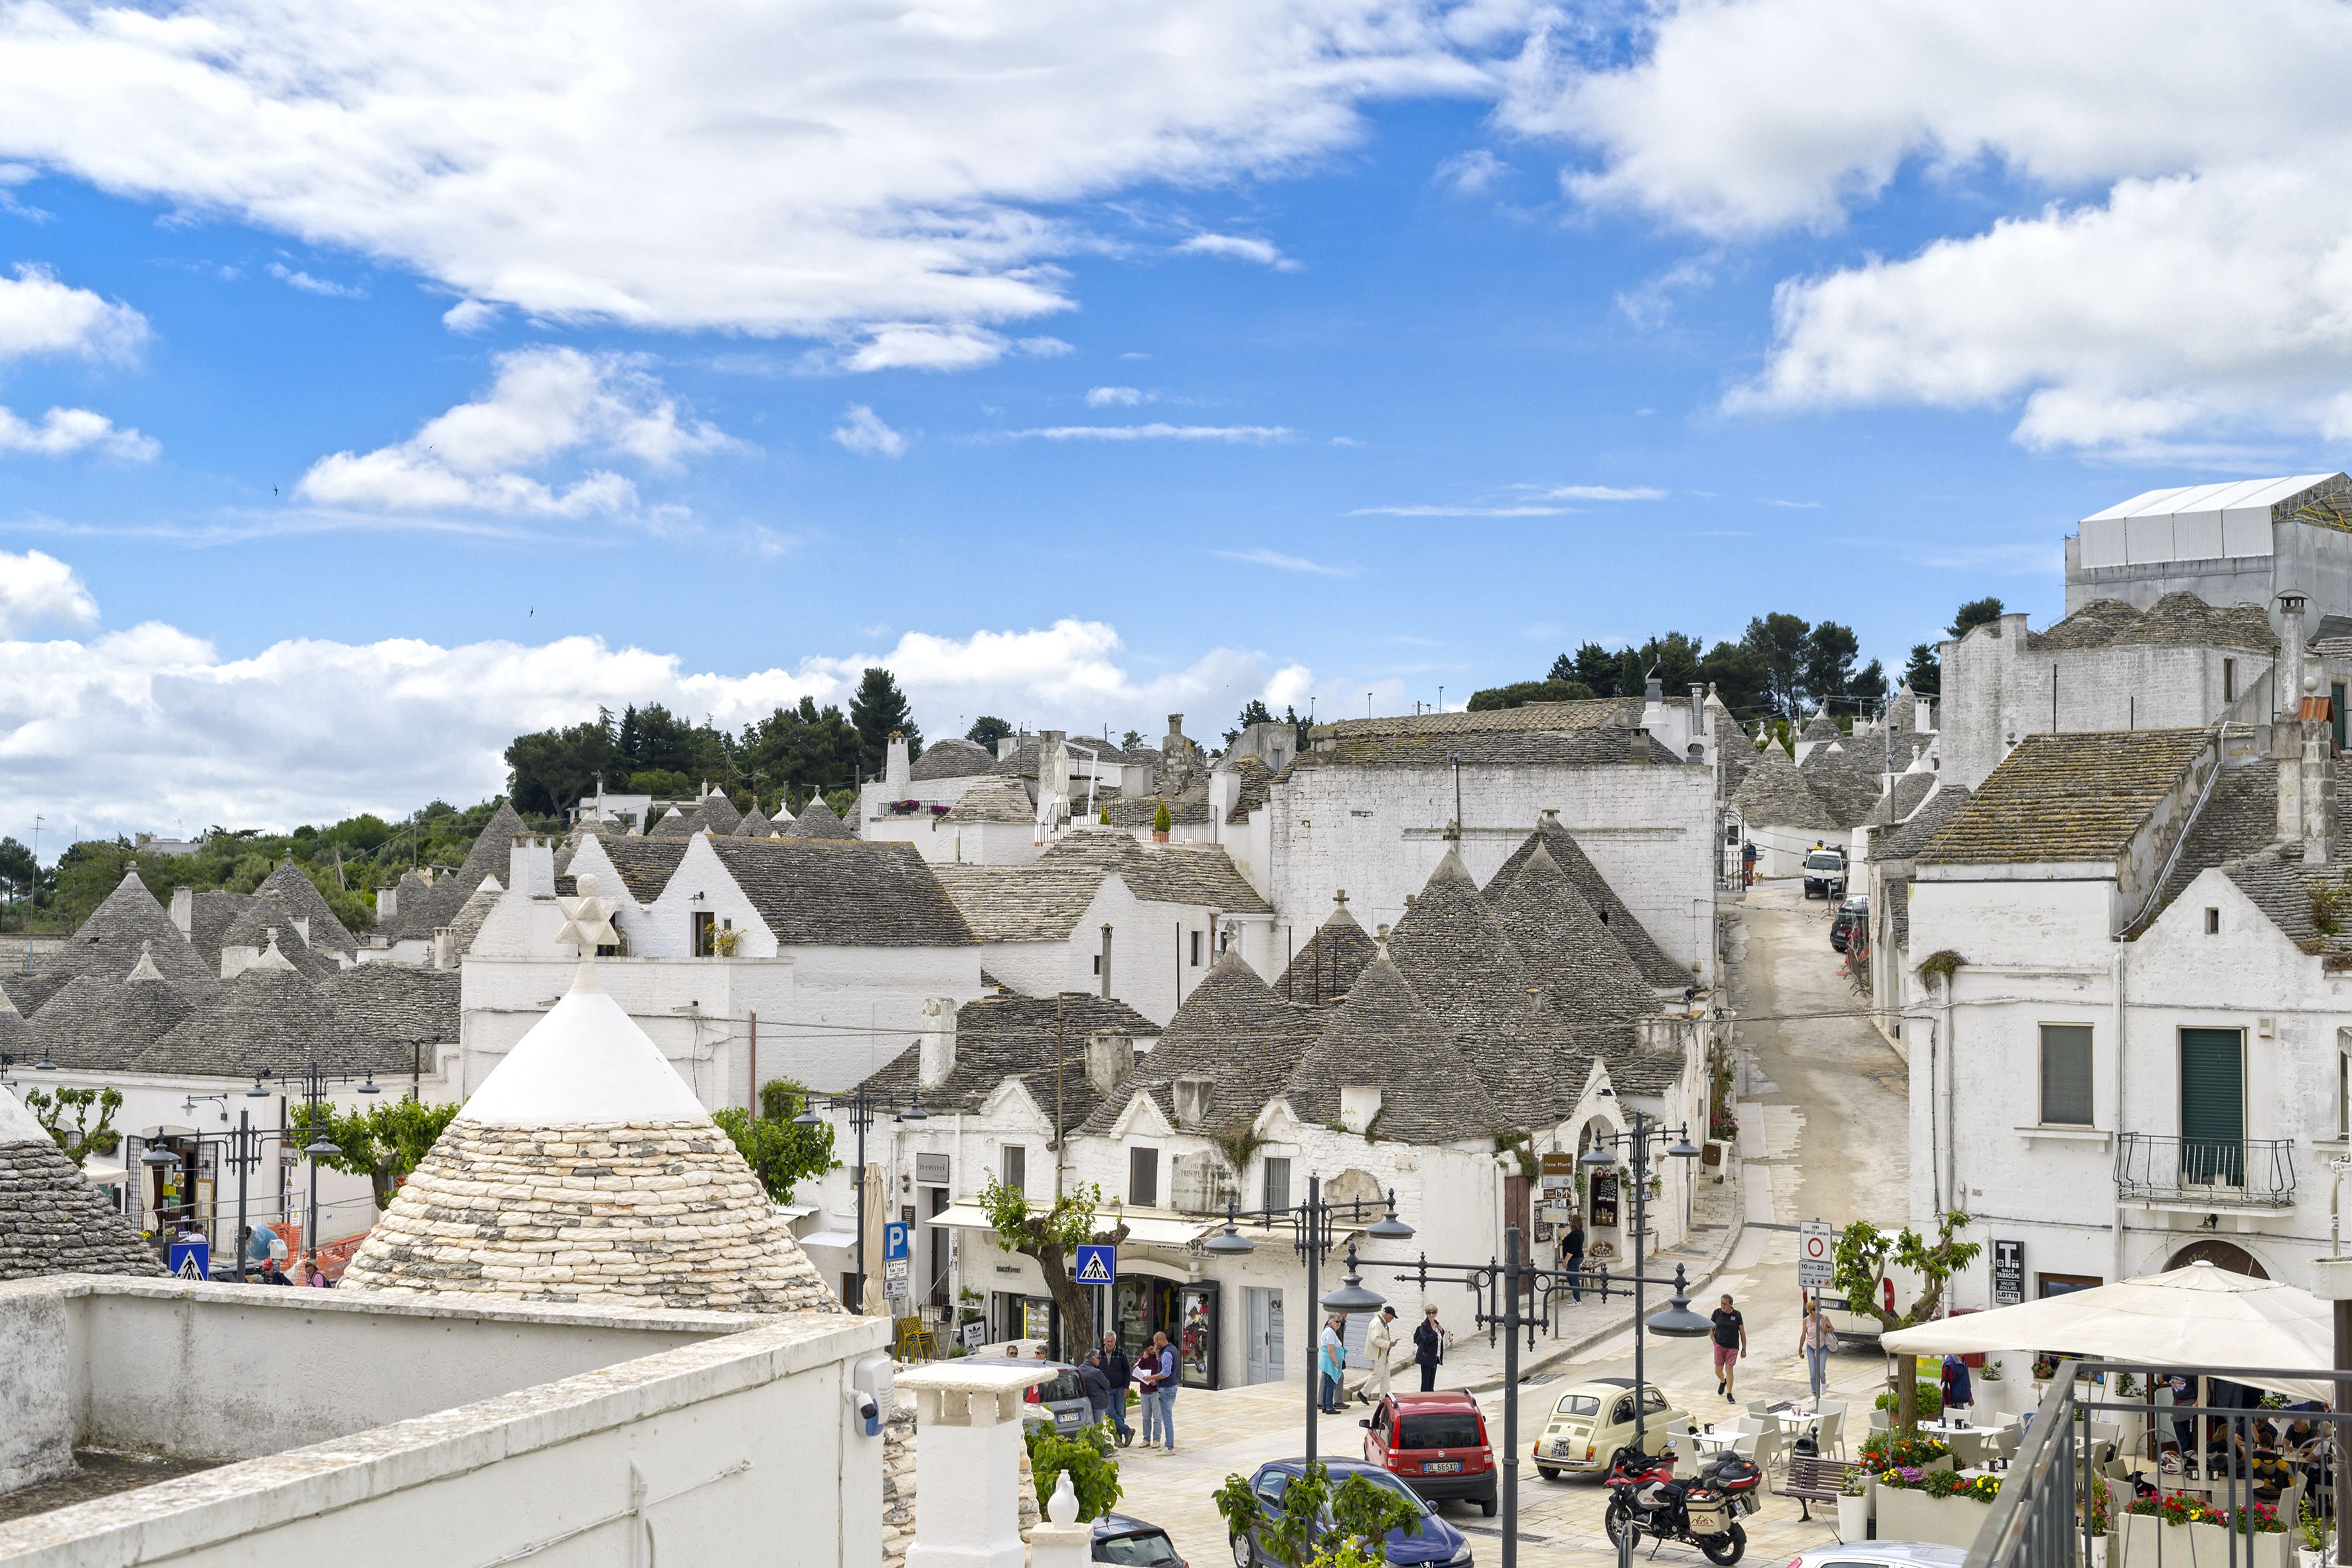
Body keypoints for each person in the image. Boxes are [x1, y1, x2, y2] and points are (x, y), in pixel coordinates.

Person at [1100, 1332, 1135, 1446]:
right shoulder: (1099, 1353)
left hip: (1119, 1388)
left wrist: (1126, 1386)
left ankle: (1118, 1440)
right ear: (1104, 1341)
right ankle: (1127, 1431)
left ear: (1115, 1341)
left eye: (1112, 1341)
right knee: (1110, 1412)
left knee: (1119, 1414)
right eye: (1108, 1341)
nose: (1110, 1344)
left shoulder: (1121, 1352)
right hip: (1106, 1389)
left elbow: (1127, 1370)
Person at [1710, 1294, 1746, 1401]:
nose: (1723, 1306)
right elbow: (1711, 1329)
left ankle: (1729, 1393)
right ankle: (1723, 1381)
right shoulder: (1717, 1313)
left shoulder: (1737, 1315)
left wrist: (1744, 1349)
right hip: (1719, 1345)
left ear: (1731, 1304)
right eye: (1722, 1303)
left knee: (1729, 1369)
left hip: (1732, 1346)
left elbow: (1742, 1333)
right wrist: (1715, 1342)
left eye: (1725, 1304)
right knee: (1718, 1370)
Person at [1148, 1331, 1178, 1453]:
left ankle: (1169, 1447)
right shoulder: (1173, 1349)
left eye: (1155, 1342)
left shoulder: (1167, 1353)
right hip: (1171, 1387)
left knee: (1167, 1419)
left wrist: (1151, 1378)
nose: (1155, 1345)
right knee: (1167, 1417)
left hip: (1167, 1389)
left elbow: (1165, 1373)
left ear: (1160, 1341)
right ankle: (1169, 1445)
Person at [1364, 1306, 1400, 1406]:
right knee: (1378, 1374)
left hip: (1383, 1354)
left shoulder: (1382, 1322)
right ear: (1387, 1315)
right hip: (1378, 1354)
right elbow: (1375, 1339)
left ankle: (1384, 1398)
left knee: (1386, 1377)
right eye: (1392, 1318)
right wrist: (1389, 1344)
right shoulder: (1378, 1323)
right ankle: (1363, 1393)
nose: (1392, 1320)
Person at [1798, 1300, 1834, 1399]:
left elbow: (1832, 1329)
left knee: (1821, 1371)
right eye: (1814, 1310)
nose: (1817, 1312)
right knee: (1813, 1372)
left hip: (1822, 1347)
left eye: (1818, 1309)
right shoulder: (1806, 1321)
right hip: (1811, 1347)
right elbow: (1803, 1335)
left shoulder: (1824, 1319)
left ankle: (1823, 1382)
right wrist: (1800, 1348)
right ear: (1810, 1311)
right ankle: (1814, 1393)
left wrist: (1825, 1329)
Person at [1135, 1328, 1162, 1450]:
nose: (1150, 1352)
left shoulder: (1159, 1356)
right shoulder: (1143, 1357)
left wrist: (1156, 1381)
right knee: (1146, 1417)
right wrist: (1143, 1359)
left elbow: (1164, 1372)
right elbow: (1135, 1368)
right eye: (1148, 1350)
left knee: (1157, 1417)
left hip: (1156, 1391)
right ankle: (1146, 1439)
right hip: (1144, 1391)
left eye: (1151, 1349)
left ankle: (1157, 1439)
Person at [1318, 1316, 1346, 1414]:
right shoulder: (1330, 1332)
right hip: (1330, 1361)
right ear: (1330, 1322)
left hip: (1328, 1360)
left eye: (1340, 1322)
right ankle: (1329, 1408)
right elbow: (1331, 1350)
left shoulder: (1329, 1331)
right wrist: (1336, 1363)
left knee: (1327, 1384)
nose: (1339, 1324)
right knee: (1331, 1384)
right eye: (1336, 1322)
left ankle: (1326, 1406)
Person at [1079, 1350, 1113, 1431]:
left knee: (1088, 1428)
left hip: (1086, 1403)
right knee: (1098, 1429)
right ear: (1093, 1359)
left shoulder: (1079, 1369)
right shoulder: (1096, 1372)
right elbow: (1107, 1385)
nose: (1100, 1360)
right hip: (1097, 1404)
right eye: (1098, 1358)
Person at [1414, 1305, 1445, 1393]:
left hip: (1434, 1357)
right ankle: (1424, 1399)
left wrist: (1442, 1331)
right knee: (1426, 1383)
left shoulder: (1436, 1324)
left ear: (1436, 1313)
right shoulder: (1424, 1326)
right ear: (1426, 1314)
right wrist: (1434, 1332)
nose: (1431, 1315)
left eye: (1433, 1313)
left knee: (1432, 1383)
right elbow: (1427, 1339)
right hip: (1426, 1358)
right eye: (1429, 1313)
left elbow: (1439, 1339)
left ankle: (1431, 1398)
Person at [1940, 1353, 1974, 1421]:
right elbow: (1945, 1385)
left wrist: (1969, 1396)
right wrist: (1947, 1403)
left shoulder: (1963, 1360)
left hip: (1960, 1402)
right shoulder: (1949, 1365)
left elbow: (1966, 1380)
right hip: (1954, 1404)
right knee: (1958, 1424)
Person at [1561, 1217, 1587, 1304]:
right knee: (1570, 1278)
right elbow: (1565, 1242)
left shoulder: (1575, 1234)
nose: (1569, 1222)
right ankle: (1576, 1297)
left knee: (1574, 1278)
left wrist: (1566, 1261)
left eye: (1571, 1221)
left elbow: (1572, 1249)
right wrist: (1555, 1241)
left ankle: (1578, 1300)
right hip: (1577, 1257)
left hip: (1574, 1258)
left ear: (1574, 1222)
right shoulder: (1579, 1232)